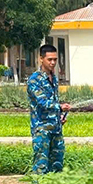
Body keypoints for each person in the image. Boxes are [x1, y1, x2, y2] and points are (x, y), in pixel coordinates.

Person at [27, 45, 71, 174]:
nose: (53, 63)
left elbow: (53, 100)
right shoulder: (34, 80)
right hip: (42, 129)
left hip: (55, 128)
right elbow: (42, 102)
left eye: (55, 60)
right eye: (49, 59)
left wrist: (59, 117)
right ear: (41, 59)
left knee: (57, 165)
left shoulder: (54, 78)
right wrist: (60, 107)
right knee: (41, 165)